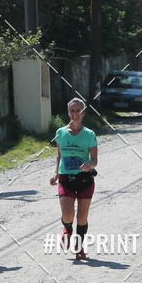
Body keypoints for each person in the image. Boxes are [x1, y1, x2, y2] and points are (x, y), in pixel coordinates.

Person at [50, 97, 98, 260]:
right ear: (68, 112)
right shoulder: (60, 133)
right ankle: (68, 230)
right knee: (68, 214)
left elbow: (95, 160)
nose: (75, 113)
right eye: (72, 110)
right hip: (66, 178)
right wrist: (56, 173)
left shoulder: (89, 134)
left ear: (83, 113)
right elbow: (59, 156)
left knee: (82, 217)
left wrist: (89, 165)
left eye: (78, 110)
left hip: (85, 180)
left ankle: (79, 247)